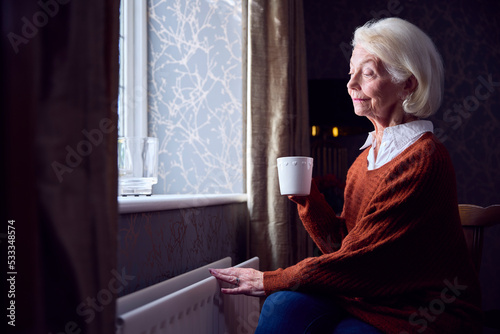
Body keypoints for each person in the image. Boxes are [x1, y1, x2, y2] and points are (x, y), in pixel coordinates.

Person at [210, 17, 482, 333]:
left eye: (367, 74)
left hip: (419, 309)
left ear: (408, 83)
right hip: (365, 295)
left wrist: (270, 278)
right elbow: (345, 248)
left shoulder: (425, 160)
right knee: (281, 305)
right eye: (350, 72)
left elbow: (362, 263)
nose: (351, 84)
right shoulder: (365, 160)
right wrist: (309, 200)